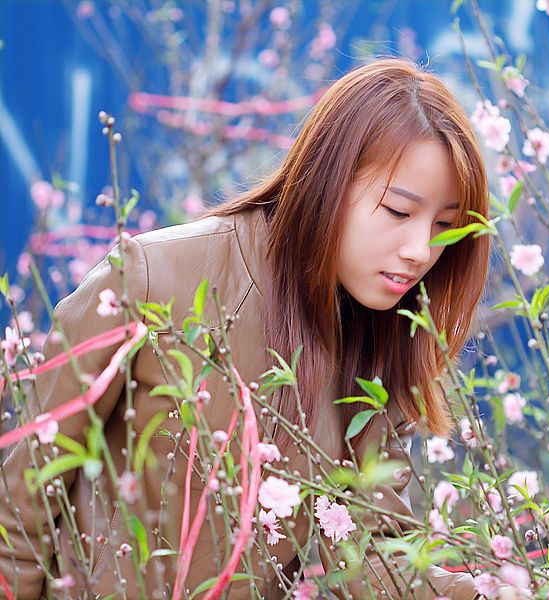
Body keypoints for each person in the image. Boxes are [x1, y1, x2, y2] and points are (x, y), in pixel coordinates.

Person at [0, 57, 492, 599]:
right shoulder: (150, 279)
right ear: (330, 180)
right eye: (399, 211)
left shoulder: (380, 344)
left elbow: (369, 560)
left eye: (444, 226)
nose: (421, 250)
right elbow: (20, 510)